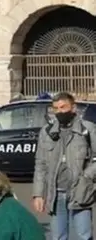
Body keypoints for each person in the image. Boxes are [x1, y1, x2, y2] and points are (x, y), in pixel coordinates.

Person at [32, 92, 96, 240]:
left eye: (63, 107)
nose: (59, 112)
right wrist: (38, 194)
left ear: (73, 108)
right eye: (56, 108)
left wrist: (87, 176)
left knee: (84, 235)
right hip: (56, 194)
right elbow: (40, 164)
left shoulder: (88, 129)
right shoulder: (47, 133)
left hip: (80, 192)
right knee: (58, 236)